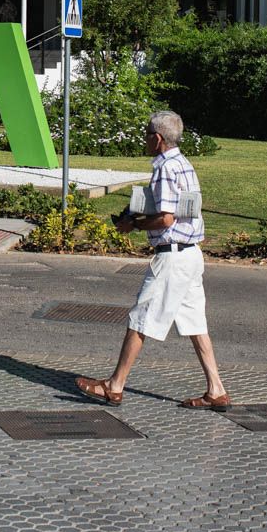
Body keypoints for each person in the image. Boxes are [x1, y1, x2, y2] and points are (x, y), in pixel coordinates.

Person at [75, 110, 229, 410]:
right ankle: (216, 390)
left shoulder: (165, 169)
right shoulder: (184, 164)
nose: (144, 140)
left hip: (172, 257)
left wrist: (133, 224)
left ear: (157, 139)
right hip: (191, 254)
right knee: (195, 323)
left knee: (141, 317)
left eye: (146, 135)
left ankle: (114, 386)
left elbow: (166, 219)